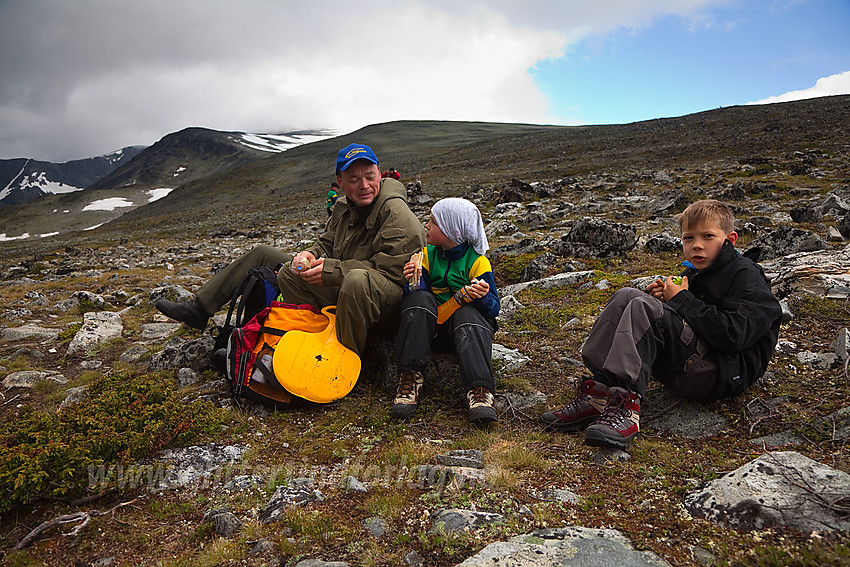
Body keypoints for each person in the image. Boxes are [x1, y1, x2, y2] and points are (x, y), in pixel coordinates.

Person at [540, 199, 782, 450]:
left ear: (730, 238)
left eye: (708, 236)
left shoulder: (747, 276)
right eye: (688, 238)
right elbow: (693, 317)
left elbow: (733, 336)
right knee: (627, 296)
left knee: (642, 307)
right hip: (698, 362)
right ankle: (599, 393)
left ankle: (627, 407)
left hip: (724, 373)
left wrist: (680, 300)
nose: (697, 245)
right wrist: (668, 301)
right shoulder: (696, 272)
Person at [155, 143, 426, 356]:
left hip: (387, 298)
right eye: (354, 179)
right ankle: (302, 339)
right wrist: (309, 254)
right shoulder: (344, 206)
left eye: (370, 176)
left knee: (354, 280)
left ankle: (345, 360)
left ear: (379, 173)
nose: (364, 185)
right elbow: (328, 244)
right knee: (288, 270)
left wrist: (333, 270)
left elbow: (392, 272)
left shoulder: (395, 212)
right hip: (350, 285)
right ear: (340, 181)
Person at [392, 198, 501, 424]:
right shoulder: (427, 255)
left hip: (465, 332)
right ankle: (410, 376)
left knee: (467, 313)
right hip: (433, 331)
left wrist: (481, 297)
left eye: (434, 222)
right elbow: (415, 299)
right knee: (419, 299)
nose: (427, 226)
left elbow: (493, 309)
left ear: (453, 229)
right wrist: (414, 281)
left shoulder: (478, 262)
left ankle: (480, 390)